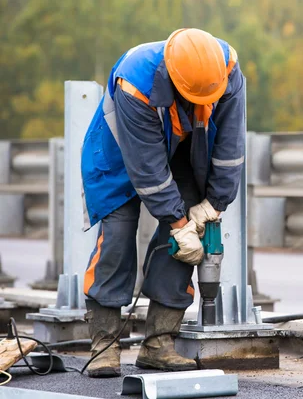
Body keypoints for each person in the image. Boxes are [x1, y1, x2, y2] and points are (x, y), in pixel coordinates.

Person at [80, 28, 245, 378]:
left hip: (184, 148)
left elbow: (230, 148)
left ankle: (158, 343)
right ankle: (103, 345)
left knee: (187, 240)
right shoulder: (135, 80)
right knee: (118, 239)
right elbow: (148, 168)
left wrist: (213, 205)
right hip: (118, 154)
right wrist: (177, 222)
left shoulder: (227, 69)